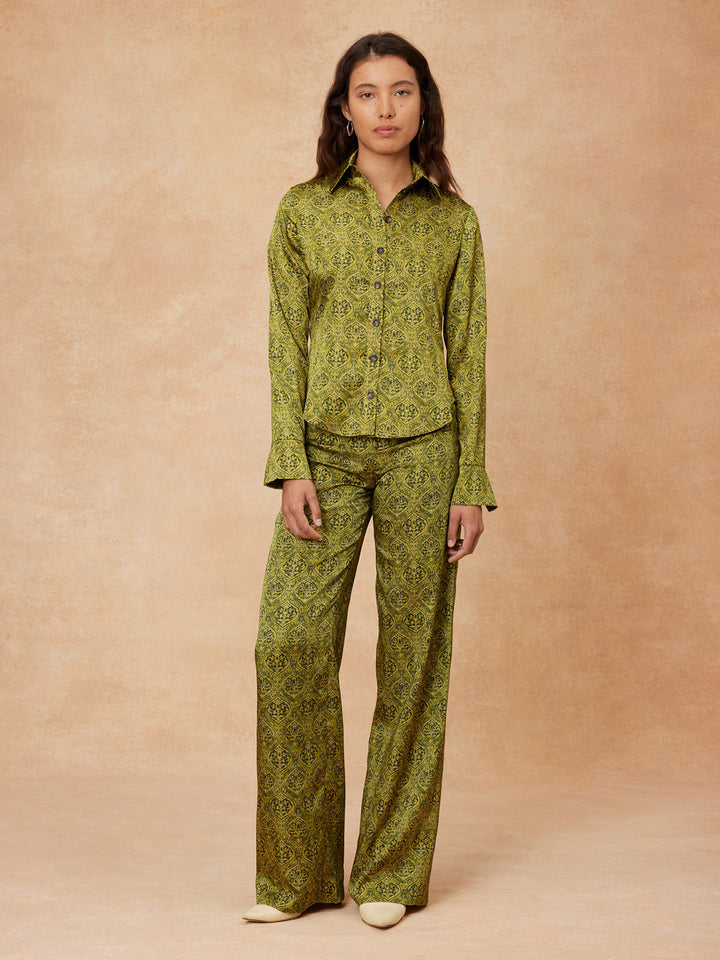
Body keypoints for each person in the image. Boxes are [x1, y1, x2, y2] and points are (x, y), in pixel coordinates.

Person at [244, 31, 496, 929]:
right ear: (343, 110)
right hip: (327, 454)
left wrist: (470, 478)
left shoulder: (454, 223)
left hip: (428, 452)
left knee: (414, 659)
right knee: (288, 644)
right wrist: (290, 463)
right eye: (367, 92)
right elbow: (285, 345)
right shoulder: (303, 211)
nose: (386, 108)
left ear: (423, 105)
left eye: (401, 90)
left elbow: (468, 354)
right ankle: (296, 876)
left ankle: (389, 868)